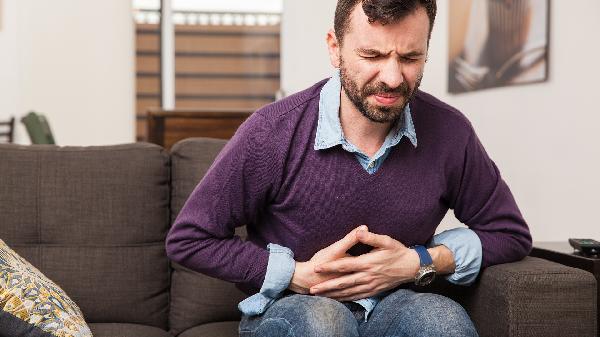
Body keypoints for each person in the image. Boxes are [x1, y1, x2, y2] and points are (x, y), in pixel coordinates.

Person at [165, 0, 532, 336]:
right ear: (334, 48)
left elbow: (509, 233)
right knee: (324, 324)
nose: (392, 78)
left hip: (397, 304)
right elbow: (190, 238)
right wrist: (295, 274)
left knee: (442, 322)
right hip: (292, 308)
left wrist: (417, 261)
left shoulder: (451, 132)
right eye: (372, 54)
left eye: (410, 58)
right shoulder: (271, 131)